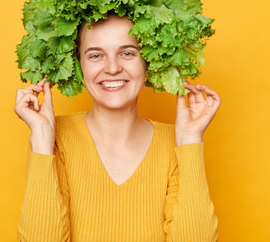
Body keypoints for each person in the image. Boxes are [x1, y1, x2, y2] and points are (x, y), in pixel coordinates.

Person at [14, 13, 221, 241]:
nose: (112, 68)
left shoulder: (175, 143)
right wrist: (42, 138)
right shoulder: (55, 137)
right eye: (95, 55)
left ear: (148, 60)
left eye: (127, 53)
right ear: (78, 65)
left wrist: (190, 139)